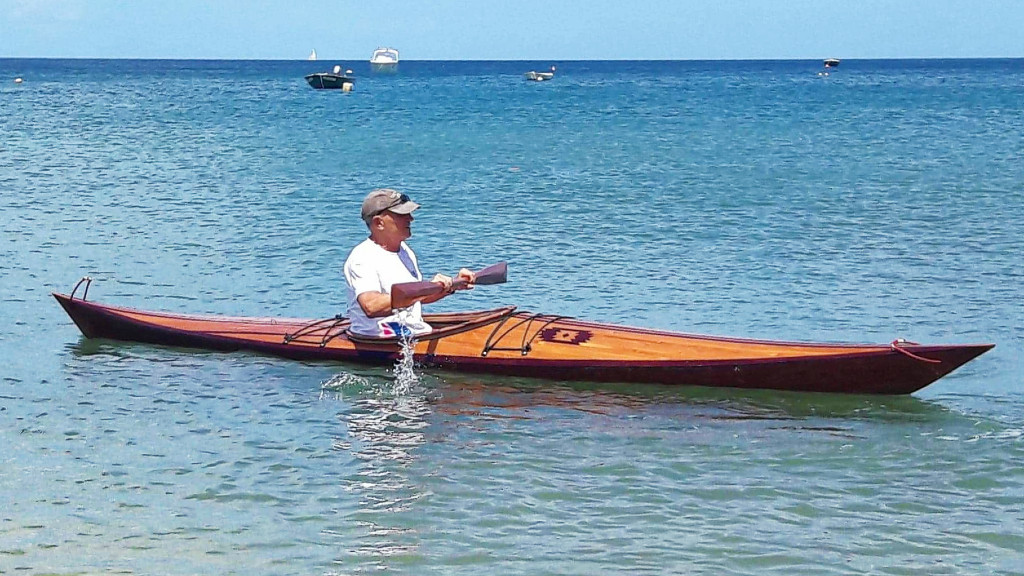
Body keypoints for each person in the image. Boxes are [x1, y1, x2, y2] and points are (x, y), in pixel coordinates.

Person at [344, 188, 475, 337]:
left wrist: (452, 284)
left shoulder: (405, 251)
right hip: (379, 338)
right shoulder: (362, 257)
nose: (411, 219)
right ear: (379, 223)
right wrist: (425, 288)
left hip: (412, 332)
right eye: (402, 215)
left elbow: (418, 299)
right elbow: (371, 306)